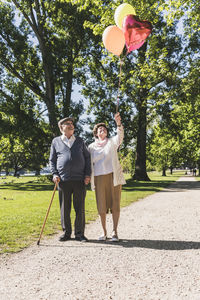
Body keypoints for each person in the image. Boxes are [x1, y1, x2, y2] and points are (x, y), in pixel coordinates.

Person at [49, 117, 91, 242]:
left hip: (79, 180)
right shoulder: (56, 141)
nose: (71, 125)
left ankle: (79, 234)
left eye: (72, 123)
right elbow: (52, 160)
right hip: (63, 180)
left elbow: (87, 158)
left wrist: (87, 174)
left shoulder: (80, 141)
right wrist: (54, 174)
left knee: (80, 208)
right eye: (68, 124)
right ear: (61, 127)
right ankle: (66, 233)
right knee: (64, 208)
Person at [88, 112, 126, 242]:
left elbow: (120, 136)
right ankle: (103, 232)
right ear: (96, 133)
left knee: (115, 204)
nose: (102, 130)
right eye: (100, 129)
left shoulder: (112, 142)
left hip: (113, 177)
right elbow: (87, 163)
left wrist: (118, 123)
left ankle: (115, 232)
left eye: (104, 129)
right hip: (98, 178)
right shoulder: (91, 147)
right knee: (101, 206)